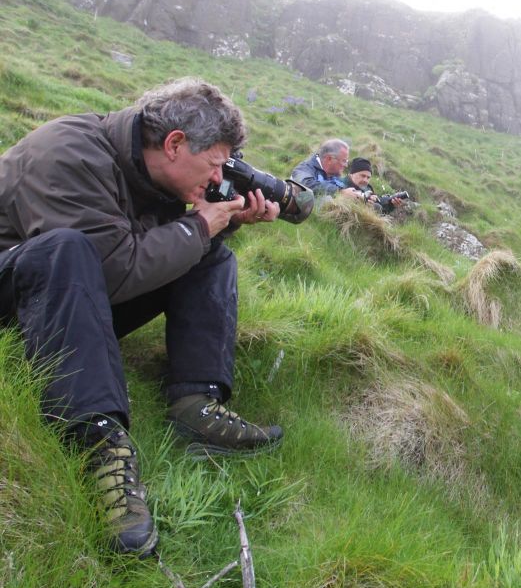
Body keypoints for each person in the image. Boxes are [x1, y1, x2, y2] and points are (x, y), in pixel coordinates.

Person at [0, 78, 283, 557]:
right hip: (23, 298)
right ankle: (99, 442)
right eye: (214, 164)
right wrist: (197, 224)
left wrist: (220, 222)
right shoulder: (67, 152)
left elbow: (146, 252)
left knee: (208, 253)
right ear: (174, 144)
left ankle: (197, 405)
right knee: (73, 249)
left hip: (70, 301)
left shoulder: (149, 171)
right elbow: (107, 273)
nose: (218, 179)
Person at [290, 138, 364, 200]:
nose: (346, 165)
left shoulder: (333, 174)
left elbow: (343, 189)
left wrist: (360, 196)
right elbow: (306, 183)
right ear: (329, 159)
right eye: (344, 161)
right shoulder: (304, 168)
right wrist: (339, 192)